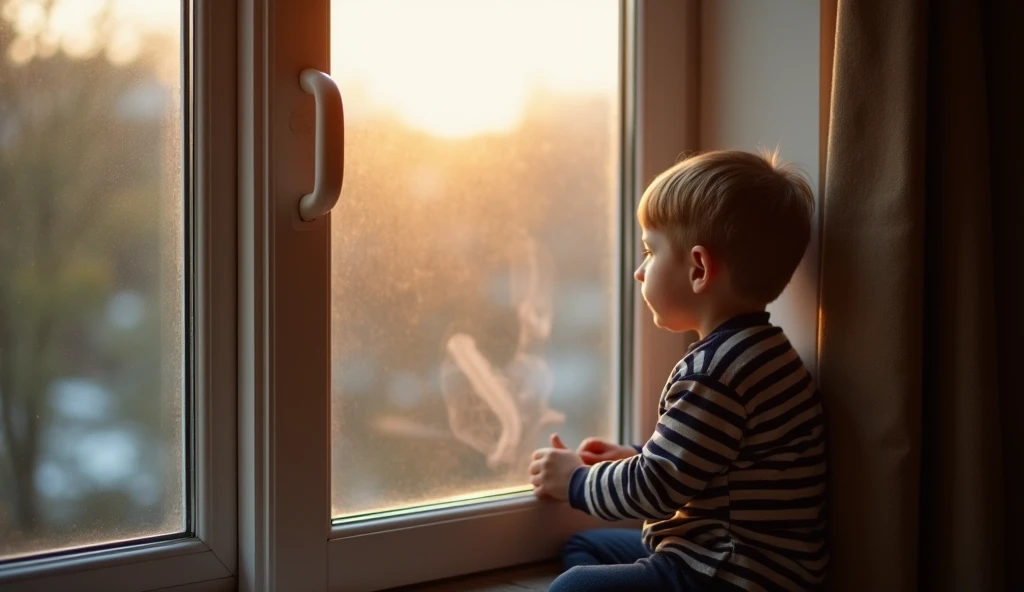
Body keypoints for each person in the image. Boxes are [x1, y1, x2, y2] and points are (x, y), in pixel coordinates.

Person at [529, 150, 828, 591]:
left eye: (650, 251)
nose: (638, 270)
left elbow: (656, 487)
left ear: (699, 268)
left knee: (570, 586)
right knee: (585, 547)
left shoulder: (715, 371)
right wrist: (635, 455)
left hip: (728, 574)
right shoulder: (764, 351)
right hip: (733, 562)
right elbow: (708, 461)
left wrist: (575, 480)